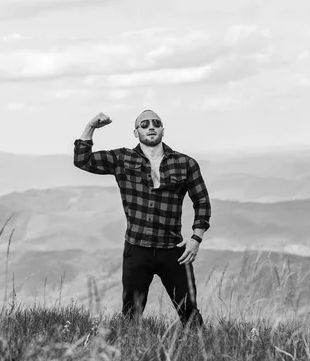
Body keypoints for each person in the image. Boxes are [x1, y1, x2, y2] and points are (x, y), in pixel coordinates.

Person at [73, 110, 211, 327]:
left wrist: (196, 238)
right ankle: (128, 357)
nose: (150, 127)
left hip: (173, 251)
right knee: (130, 315)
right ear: (136, 132)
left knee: (189, 313)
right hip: (136, 250)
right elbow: (82, 160)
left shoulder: (186, 163)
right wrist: (90, 126)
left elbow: (201, 201)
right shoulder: (122, 158)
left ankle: (201, 356)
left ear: (163, 130)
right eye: (144, 124)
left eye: (156, 123)